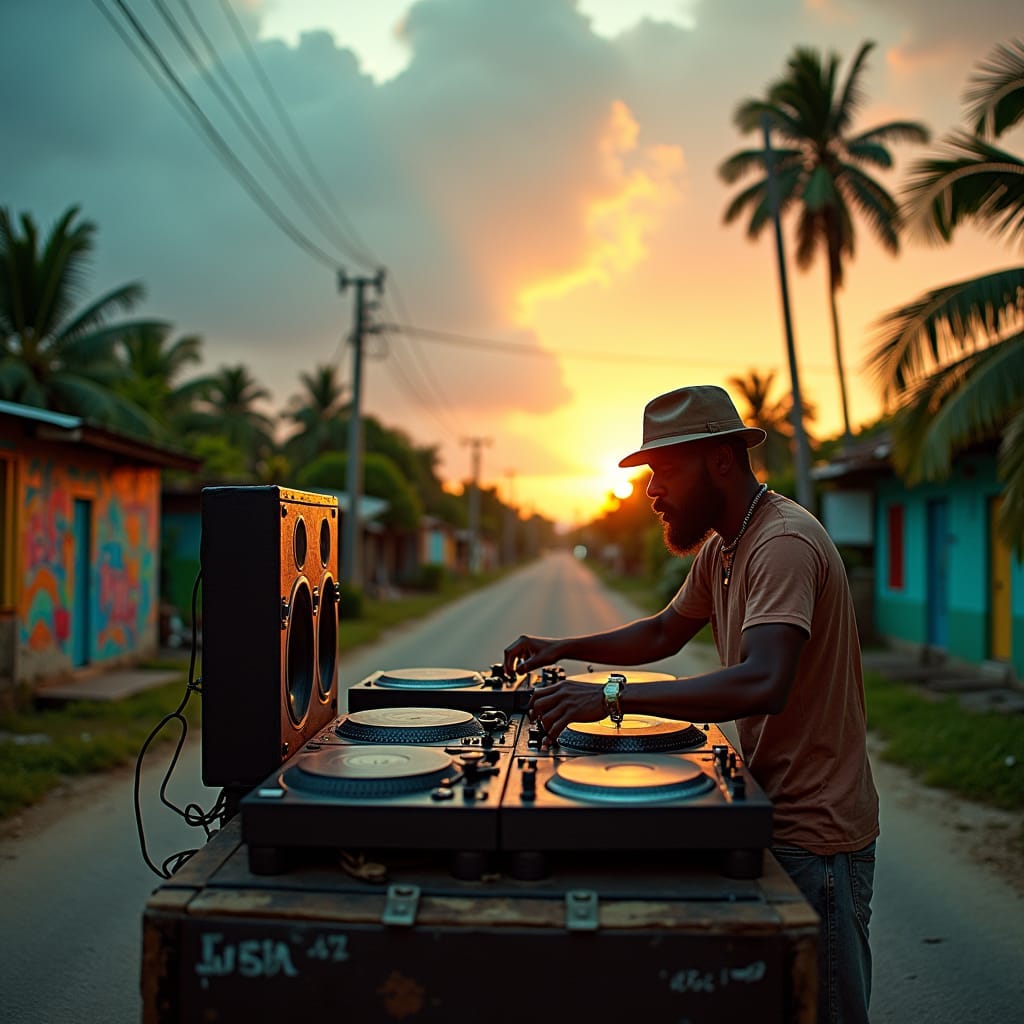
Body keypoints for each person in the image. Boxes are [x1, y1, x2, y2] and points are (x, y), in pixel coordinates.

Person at [503, 384, 878, 1024]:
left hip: (816, 832)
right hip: (772, 810)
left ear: (721, 460)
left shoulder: (782, 543)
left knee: (824, 1011)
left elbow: (764, 681)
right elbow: (662, 634)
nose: (652, 490)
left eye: (665, 471)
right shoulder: (725, 546)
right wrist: (561, 646)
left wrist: (610, 696)